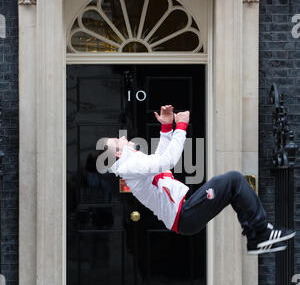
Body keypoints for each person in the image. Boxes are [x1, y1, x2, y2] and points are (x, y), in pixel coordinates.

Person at [102, 105, 295, 254]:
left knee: (233, 189)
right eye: (117, 141)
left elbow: (162, 161)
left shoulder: (132, 164)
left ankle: (257, 235)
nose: (122, 138)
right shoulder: (130, 165)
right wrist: (182, 127)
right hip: (184, 215)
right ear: (118, 153)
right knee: (234, 180)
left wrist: (167, 126)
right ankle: (260, 233)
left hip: (185, 214)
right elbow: (167, 160)